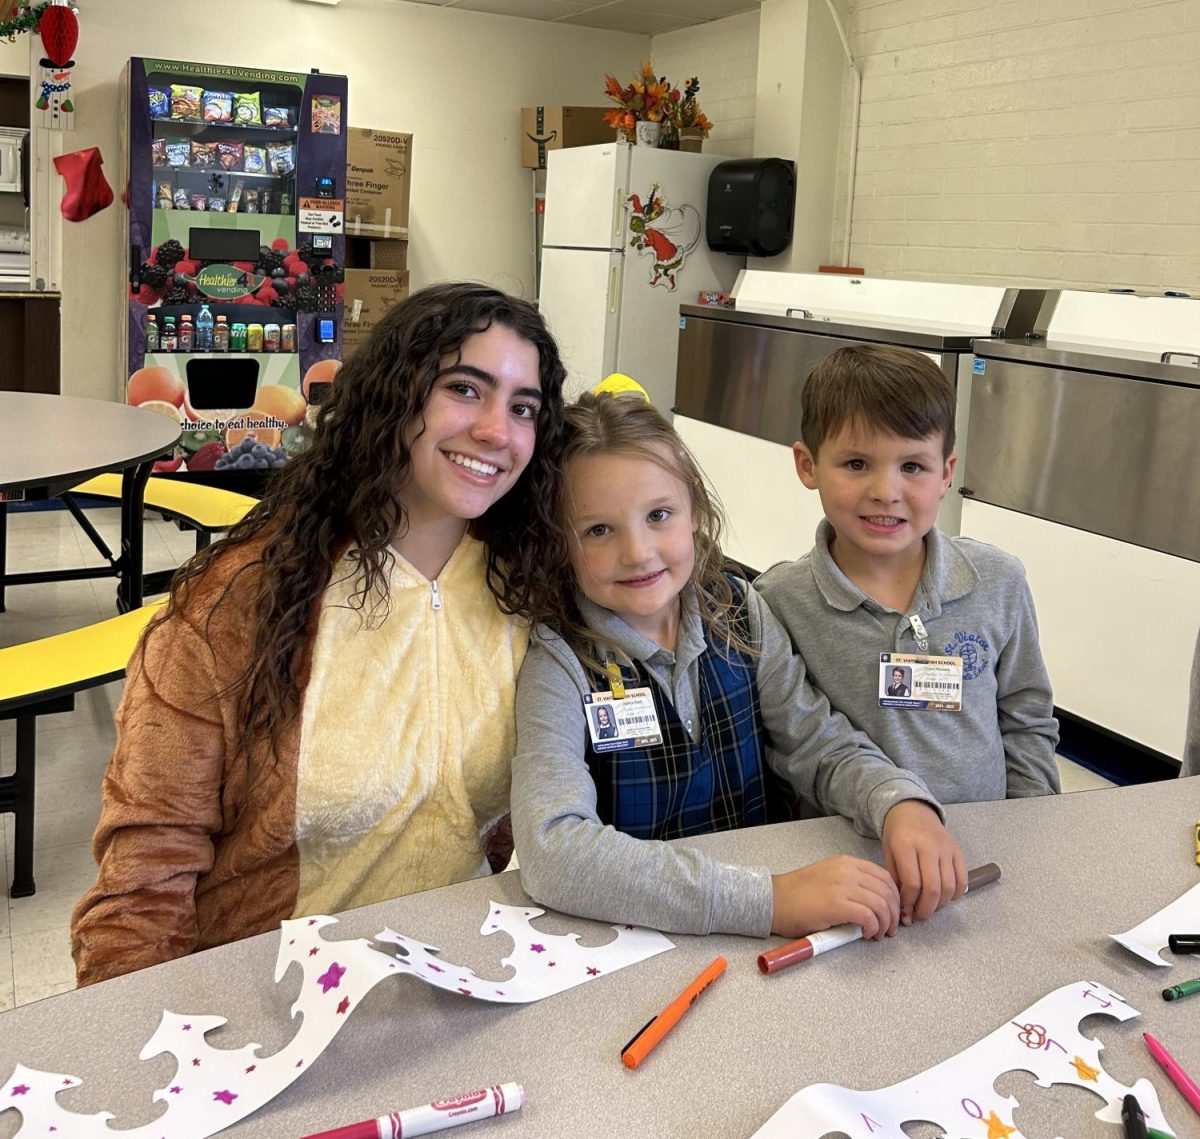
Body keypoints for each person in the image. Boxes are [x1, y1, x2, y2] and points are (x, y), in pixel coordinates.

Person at [71, 283, 567, 986]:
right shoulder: (238, 604)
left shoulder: (528, 586)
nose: (497, 430)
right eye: (464, 388)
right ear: (394, 396)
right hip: (262, 1011)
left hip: (459, 985)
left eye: (524, 408)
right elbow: (142, 885)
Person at [512, 390, 966, 942]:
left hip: (767, 926)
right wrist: (769, 900)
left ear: (695, 511)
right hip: (648, 938)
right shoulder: (559, 660)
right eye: (598, 530)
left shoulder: (740, 609)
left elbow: (816, 742)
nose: (638, 552)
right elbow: (552, 850)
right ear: (560, 543)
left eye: (659, 515)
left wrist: (897, 801)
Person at [757, 344, 1060, 805]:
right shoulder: (778, 602)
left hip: (989, 840)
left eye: (913, 466)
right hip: (846, 853)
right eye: (857, 464)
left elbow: (1027, 720)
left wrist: (1030, 823)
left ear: (946, 473)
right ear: (808, 465)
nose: (885, 492)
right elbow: (792, 746)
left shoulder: (999, 581)